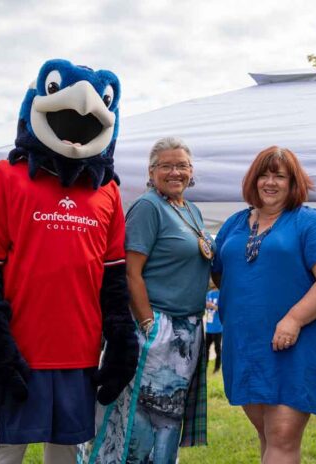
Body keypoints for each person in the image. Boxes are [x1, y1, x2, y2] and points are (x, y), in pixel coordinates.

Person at [0, 59, 138, 464]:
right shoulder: (5, 177)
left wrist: (121, 342)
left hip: (80, 353)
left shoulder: (107, 192)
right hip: (17, 353)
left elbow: (113, 281)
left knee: (65, 454)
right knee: (6, 453)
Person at [212, 146, 316, 464]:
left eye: (279, 175)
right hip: (246, 345)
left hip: (293, 345)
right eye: (264, 174)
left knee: (283, 438)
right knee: (268, 437)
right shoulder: (235, 223)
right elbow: (221, 274)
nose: (270, 182)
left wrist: (293, 319)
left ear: (292, 182)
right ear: (253, 179)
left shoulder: (308, 222)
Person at [91, 137, 213, 463]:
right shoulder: (148, 207)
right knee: (140, 421)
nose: (175, 172)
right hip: (157, 328)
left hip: (186, 332)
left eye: (182, 165)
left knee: (167, 422)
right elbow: (130, 272)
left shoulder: (191, 210)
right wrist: (149, 325)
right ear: (151, 171)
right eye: (166, 166)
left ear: (192, 170)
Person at [205, 281, 223, 373]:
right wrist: (206, 305)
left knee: (217, 348)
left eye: (212, 280)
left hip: (218, 327)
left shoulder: (221, 293)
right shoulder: (208, 294)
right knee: (206, 349)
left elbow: (222, 309)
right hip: (209, 327)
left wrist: (213, 306)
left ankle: (217, 368)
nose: (211, 282)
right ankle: (205, 366)